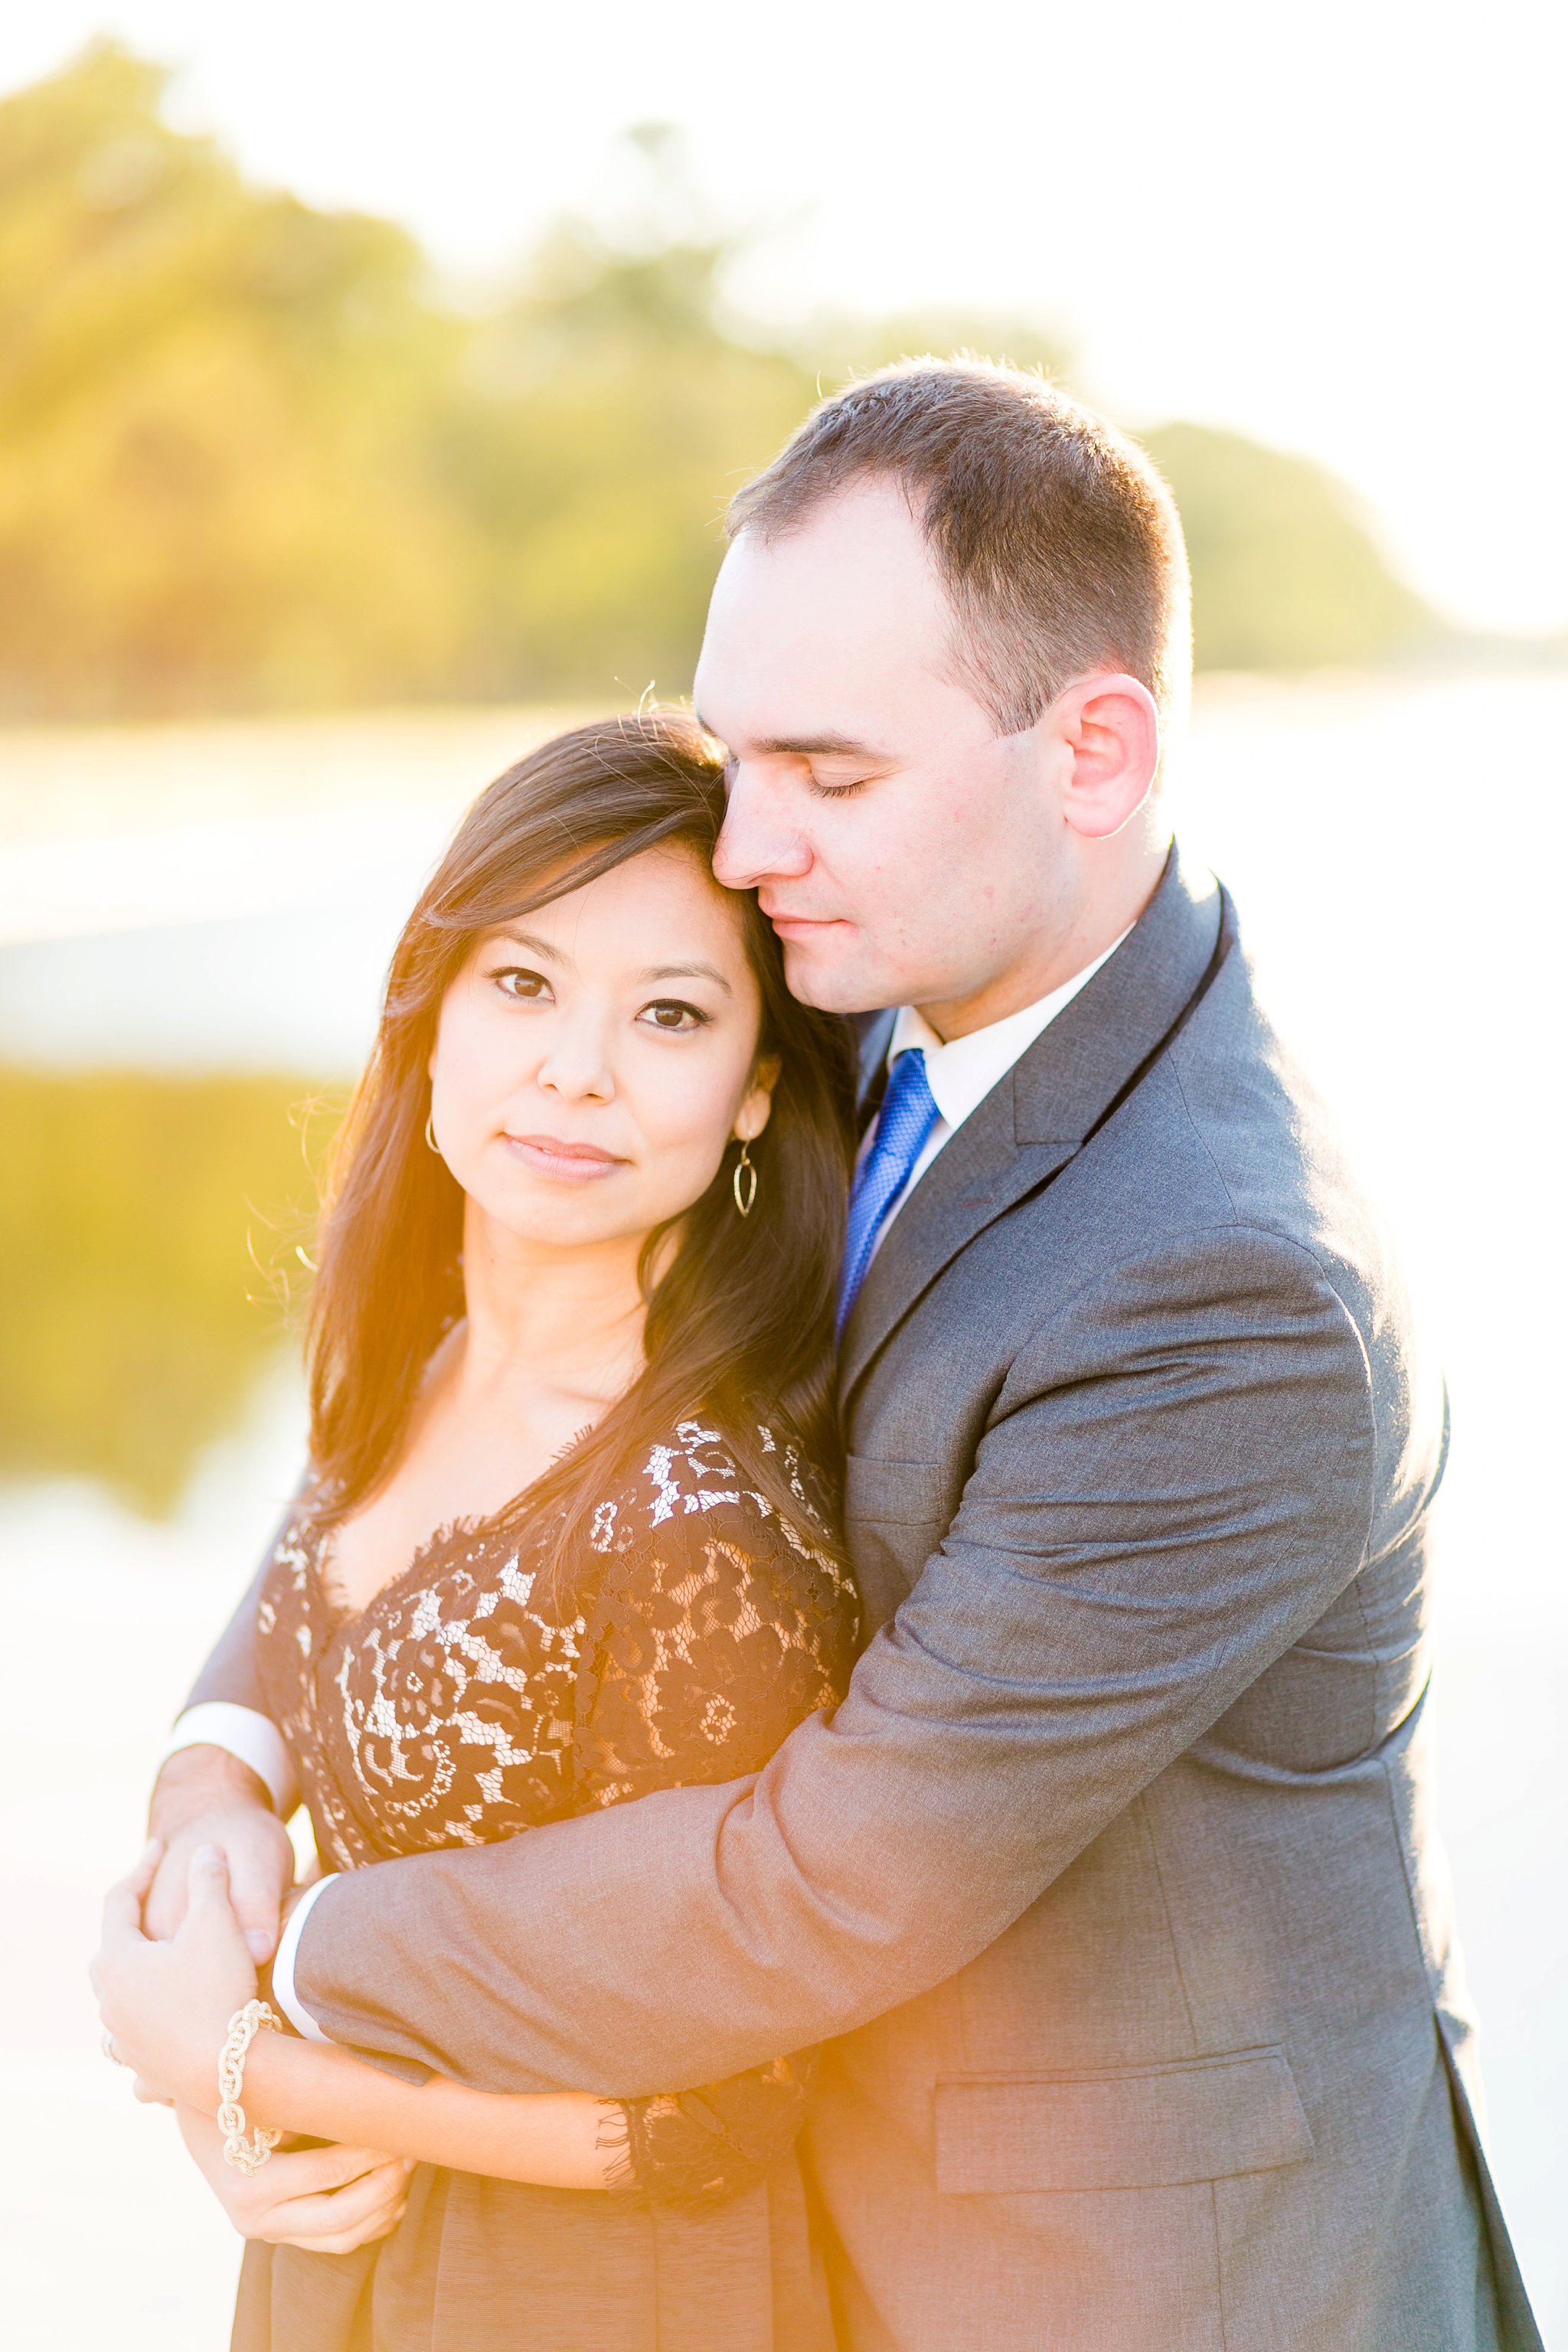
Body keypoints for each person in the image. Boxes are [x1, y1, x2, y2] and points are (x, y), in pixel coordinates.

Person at [103, 363, 1541, 2351]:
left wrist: (293, 1978)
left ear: (1095, 752)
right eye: (737, 752)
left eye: (829, 774)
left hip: (1137, 2288)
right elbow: (461, 1416)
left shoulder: (1228, 1289)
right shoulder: (835, 1002)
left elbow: (829, 1885)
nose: (751, 843)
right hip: (776, 2231)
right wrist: (218, 1784)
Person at [93, 710, 862, 2351]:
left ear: (749, 1096)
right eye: (523, 985)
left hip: (595, 2300)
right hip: (344, 2255)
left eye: (668, 1015)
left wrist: (231, 2070)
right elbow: (293, 1632)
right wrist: (209, 1787)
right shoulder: (423, 1358)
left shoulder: (694, 1527)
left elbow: (710, 2119)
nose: (576, 1069)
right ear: (432, 1013)